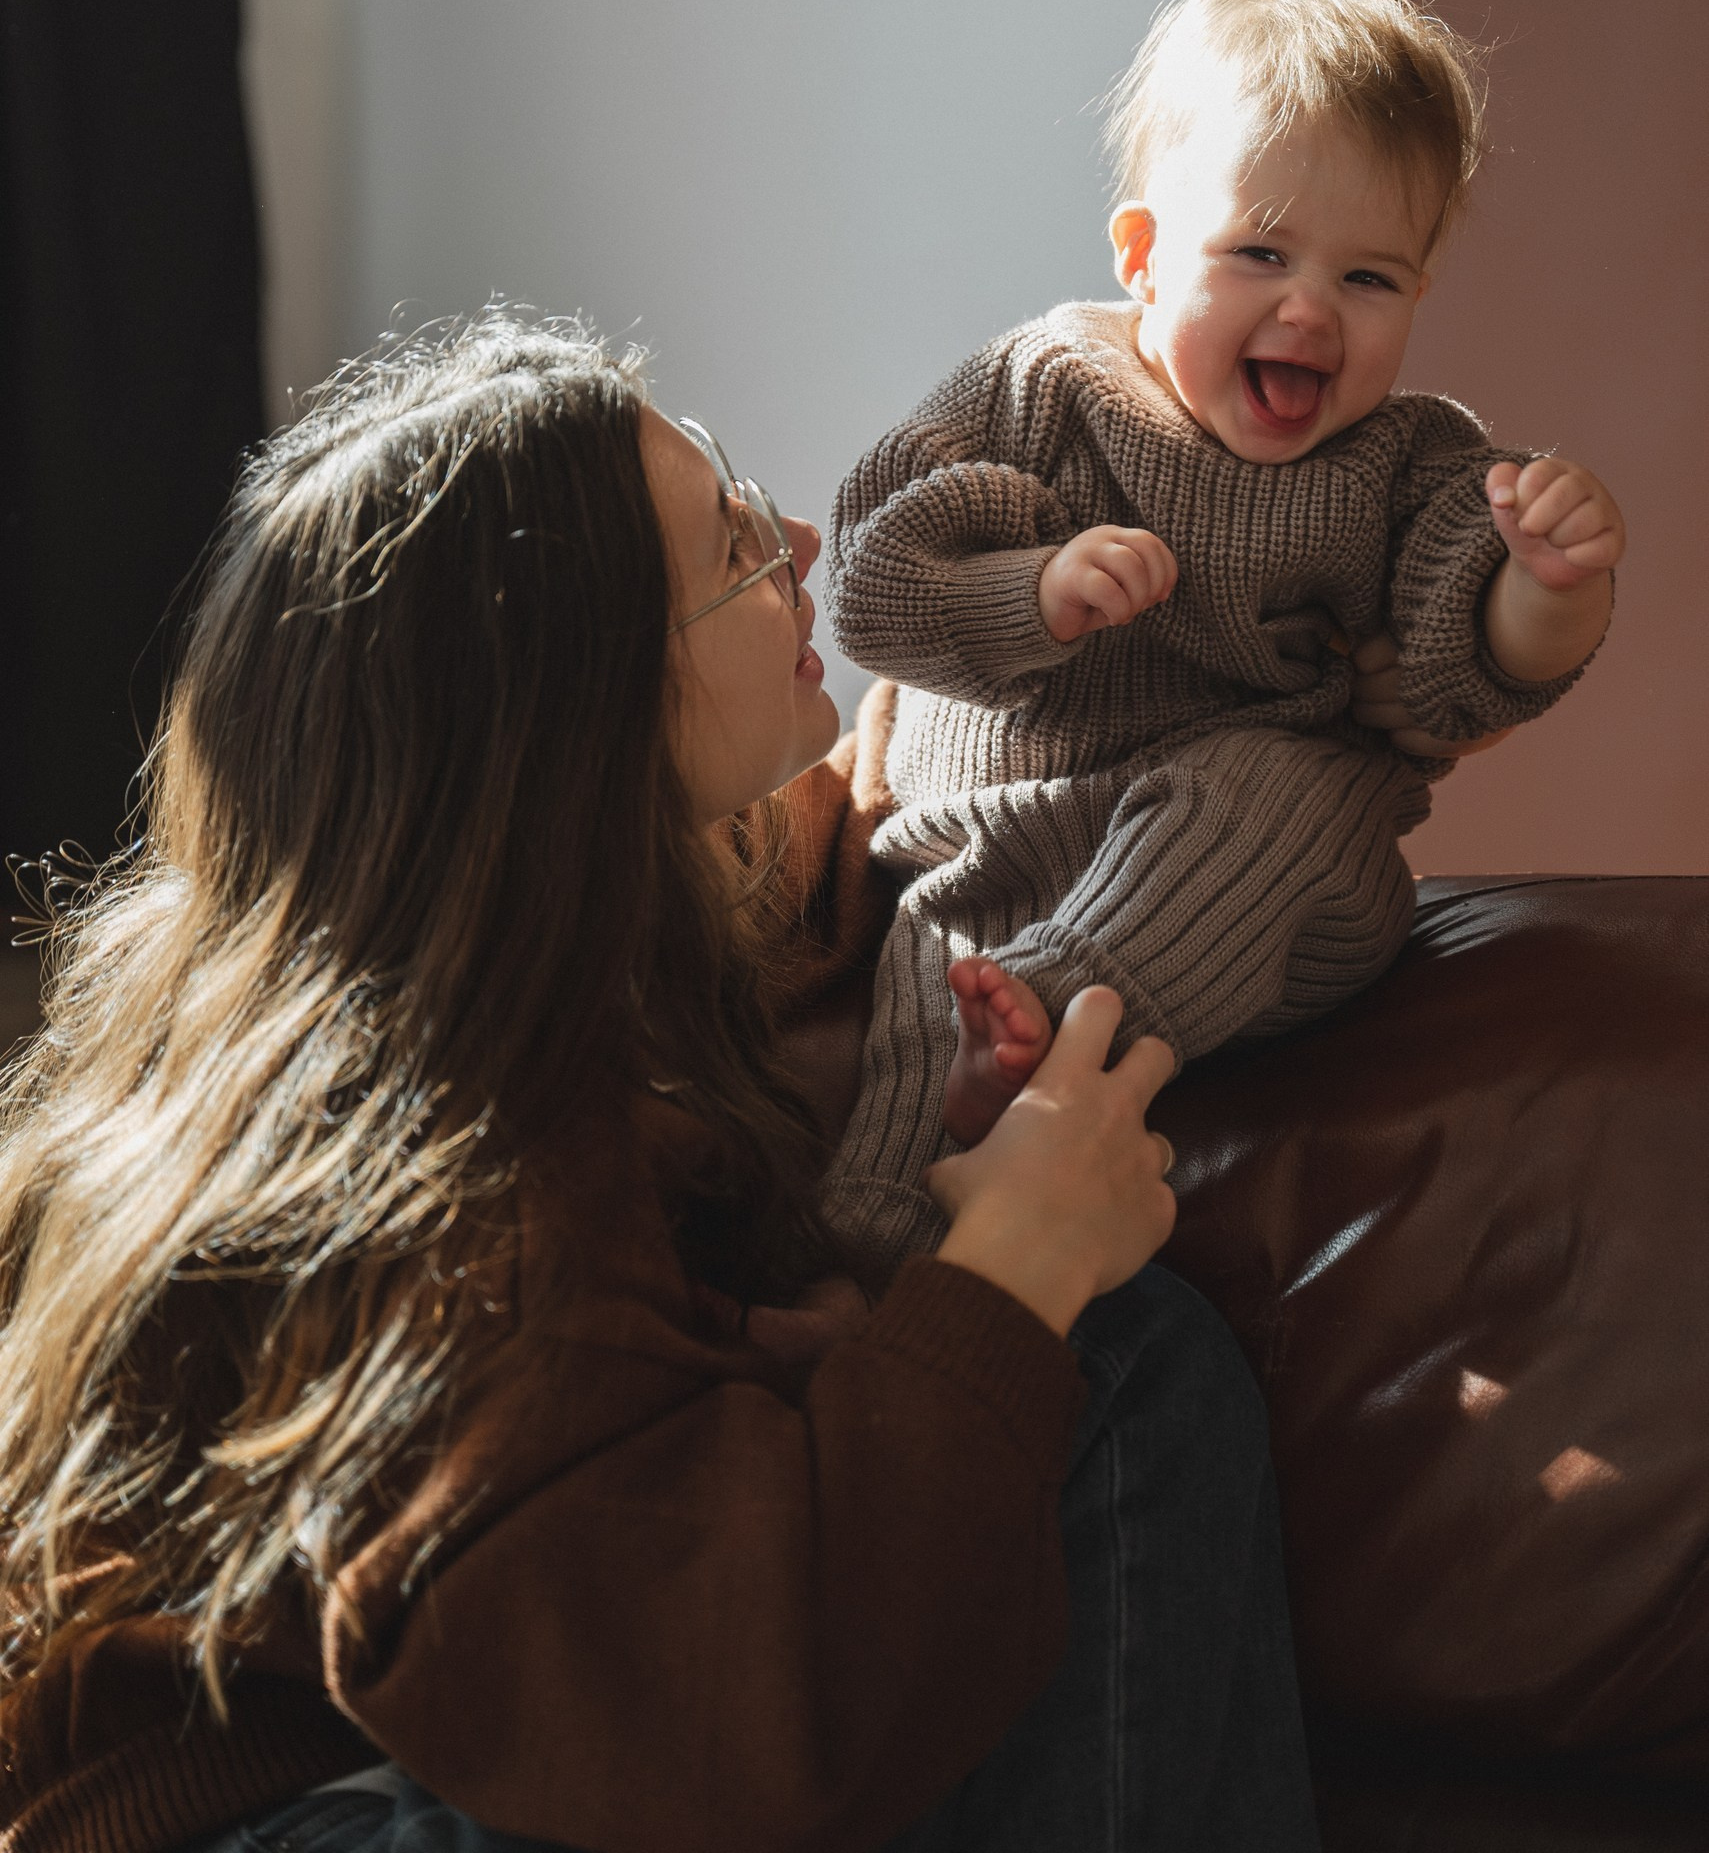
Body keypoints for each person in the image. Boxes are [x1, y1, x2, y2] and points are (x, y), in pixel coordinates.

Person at [0, 316, 1324, 1853]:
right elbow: (702, 1734)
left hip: (400, 1770)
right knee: (1113, 1361)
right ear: (584, 697)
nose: (801, 538)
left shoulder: (495, 992)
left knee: (1091, 1354)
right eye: (729, 539)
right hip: (304, 1823)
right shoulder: (426, 1144)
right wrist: (1012, 1265)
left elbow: (606, 1447)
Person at [820, 0, 1625, 1266]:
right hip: (1002, 835)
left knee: (1280, 794)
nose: (1307, 309)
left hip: (1252, 885)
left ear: (1419, 295)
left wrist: (1548, 587)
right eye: (1258, 253)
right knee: (938, 958)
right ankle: (866, 1263)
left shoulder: (1409, 461)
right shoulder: (1042, 388)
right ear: (1139, 257)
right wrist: (1025, 590)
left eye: (1369, 278)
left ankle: (1052, 1017)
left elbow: (1462, 663)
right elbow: (874, 578)